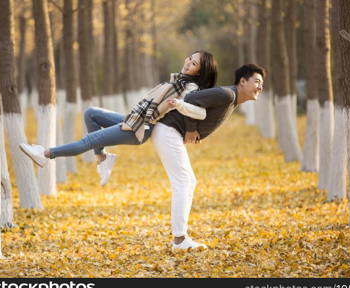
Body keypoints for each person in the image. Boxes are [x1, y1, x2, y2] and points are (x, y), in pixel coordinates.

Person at [19, 51, 218, 186]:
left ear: (200, 71)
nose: (188, 63)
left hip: (139, 128)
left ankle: (45, 154)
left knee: (87, 141)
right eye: (189, 58)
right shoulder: (181, 81)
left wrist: (134, 123)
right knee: (91, 113)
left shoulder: (189, 88)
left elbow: (169, 109)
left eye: (193, 64)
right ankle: (102, 158)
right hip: (136, 120)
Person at [152, 64, 265, 250]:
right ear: (243, 81)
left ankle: (180, 237)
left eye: (262, 84)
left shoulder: (232, 99)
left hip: (171, 133)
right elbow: (191, 98)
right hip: (168, 131)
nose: (260, 87)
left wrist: (196, 131)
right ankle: (179, 240)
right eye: (257, 82)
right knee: (183, 182)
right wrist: (190, 129)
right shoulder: (226, 94)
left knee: (189, 181)